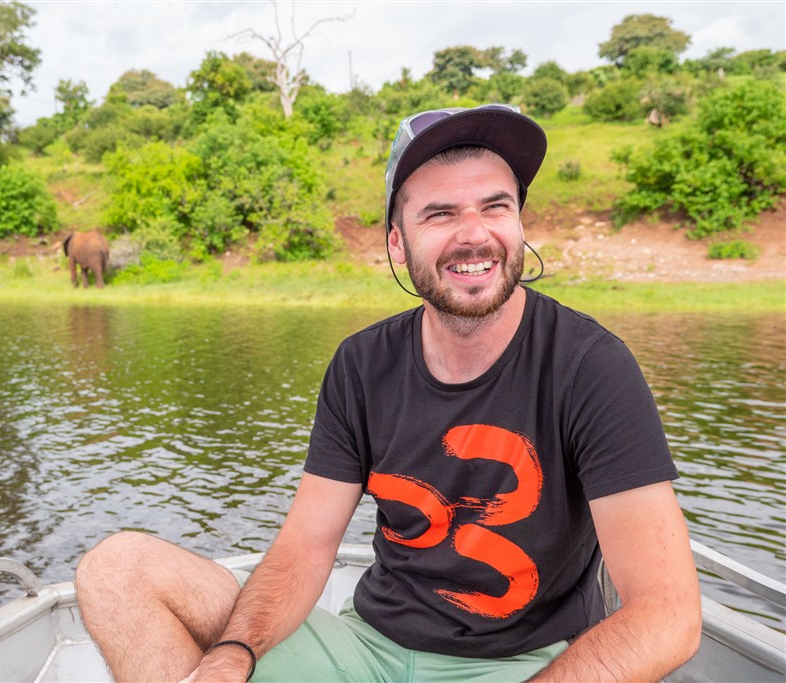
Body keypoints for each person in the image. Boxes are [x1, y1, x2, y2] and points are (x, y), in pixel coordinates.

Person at [75, 105, 702, 682]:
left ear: (519, 222)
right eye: (439, 213)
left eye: (495, 206)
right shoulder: (360, 365)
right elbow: (306, 548)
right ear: (397, 242)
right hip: (366, 649)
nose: (475, 234)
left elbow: (667, 612)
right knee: (117, 569)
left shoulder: (590, 366)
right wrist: (232, 654)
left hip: (518, 666)